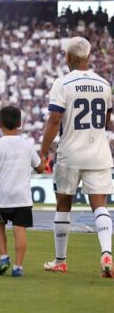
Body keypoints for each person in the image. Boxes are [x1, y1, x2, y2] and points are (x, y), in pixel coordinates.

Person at [38, 37, 113, 278]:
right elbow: (106, 119)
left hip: (70, 153)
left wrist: (43, 152)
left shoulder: (63, 83)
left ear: (69, 57)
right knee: (99, 205)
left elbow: (54, 120)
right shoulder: (104, 84)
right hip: (99, 153)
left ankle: (60, 260)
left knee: (63, 205)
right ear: (88, 56)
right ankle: (106, 252)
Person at [0, 106, 44, 277]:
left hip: (2, 196)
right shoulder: (27, 145)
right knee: (19, 230)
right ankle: (18, 267)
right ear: (20, 124)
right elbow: (40, 167)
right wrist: (41, 165)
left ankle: (3, 257)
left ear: (0, 123)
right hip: (22, 197)